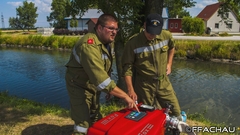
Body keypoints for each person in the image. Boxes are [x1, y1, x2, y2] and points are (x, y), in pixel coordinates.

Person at [65, 13, 138, 135]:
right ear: (99, 28)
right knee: (83, 123)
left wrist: (109, 88)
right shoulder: (88, 45)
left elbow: (105, 66)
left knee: (95, 117)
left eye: (116, 29)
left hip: (93, 83)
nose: (114, 32)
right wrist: (125, 96)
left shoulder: (109, 42)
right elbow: (100, 80)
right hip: (79, 85)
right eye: (110, 28)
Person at [122, 13, 184, 120]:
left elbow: (172, 47)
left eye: (155, 32)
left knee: (175, 112)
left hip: (163, 82)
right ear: (145, 25)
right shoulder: (133, 43)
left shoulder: (166, 35)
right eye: (150, 31)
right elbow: (127, 68)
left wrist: (169, 64)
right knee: (146, 114)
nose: (152, 35)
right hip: (144, 86)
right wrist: (130, 90)